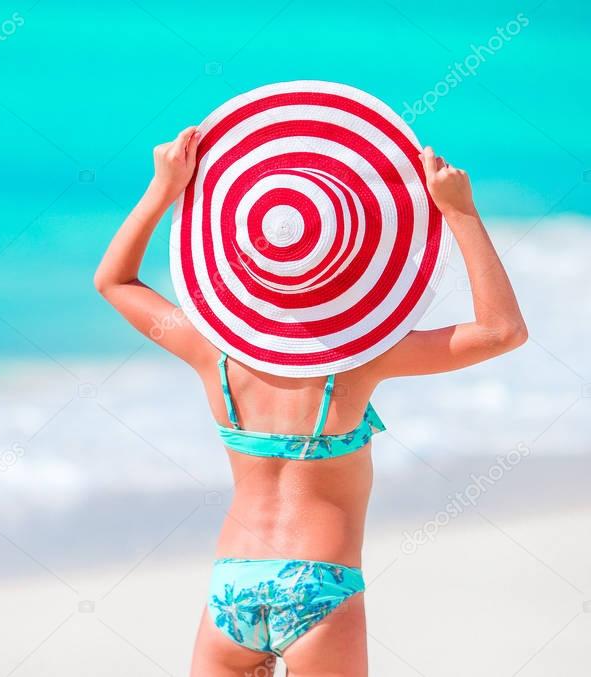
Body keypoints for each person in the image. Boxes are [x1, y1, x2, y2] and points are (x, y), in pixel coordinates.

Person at [93, 126, 527, 677]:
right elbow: (502, 331)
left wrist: (164, 188)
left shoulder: (212, 354)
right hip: (320, 587)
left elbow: (114, 281)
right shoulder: (359, 361)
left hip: (234, 585)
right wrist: (460, 211)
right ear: (348, 273)